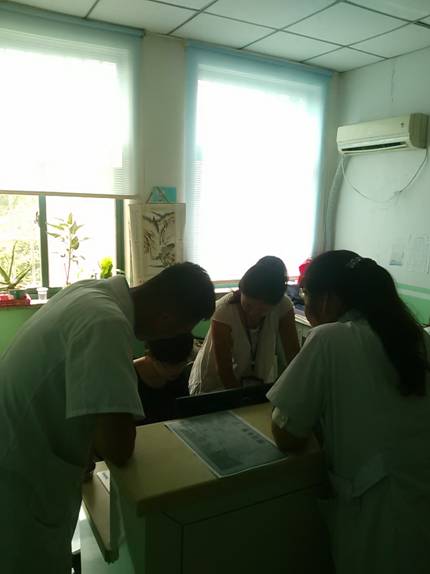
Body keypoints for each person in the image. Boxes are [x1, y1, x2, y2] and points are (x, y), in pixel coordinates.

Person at [0, 262, 214, 574]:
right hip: (21, 485)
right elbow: (118, 446)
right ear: (167, 319)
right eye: (181, 331)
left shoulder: (88, 292)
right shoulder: (107, 323)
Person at [267, 250, 430, 574]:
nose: (306, 305)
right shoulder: (418, 337)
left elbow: (287, 433)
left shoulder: (329, 338)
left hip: (379, 513)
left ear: (327, 300)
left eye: (307, 296)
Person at [188, 256, 300, 394]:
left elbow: (294, 356)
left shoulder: (283, 305)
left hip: (257, 380)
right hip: (214, 383)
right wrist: (241, 398)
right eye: (248, 306)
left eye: (263, 310)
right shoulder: (224, 311)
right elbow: (224, 369)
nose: (253, 314)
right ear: (241, 291)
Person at [134, 333, 194, 424]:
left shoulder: (180, 377)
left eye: (181, 364)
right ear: (150, 355)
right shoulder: (130, 377)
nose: (174, 371)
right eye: (166, 365)